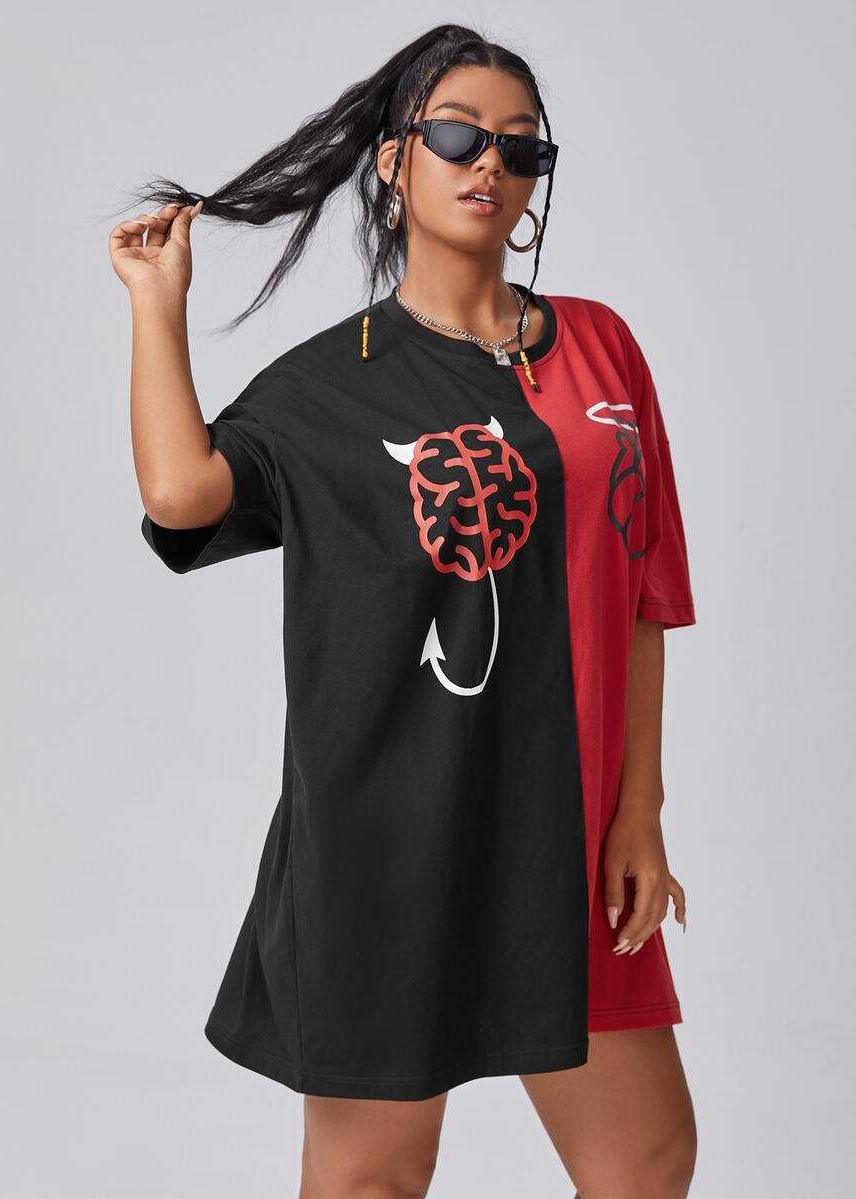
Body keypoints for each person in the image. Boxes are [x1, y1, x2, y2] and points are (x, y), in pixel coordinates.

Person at [109, 23, 698, 1199]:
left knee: (646, 1158)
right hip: (392, 840)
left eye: (522, 147)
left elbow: (646, 591)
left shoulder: (603, 347)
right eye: (460, 137)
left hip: (571, 832)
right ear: (395, 161)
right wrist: (156, 305)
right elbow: (182, 495)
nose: (491, 164)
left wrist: (640, 810)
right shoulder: (333, 383)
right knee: (373, 1175)